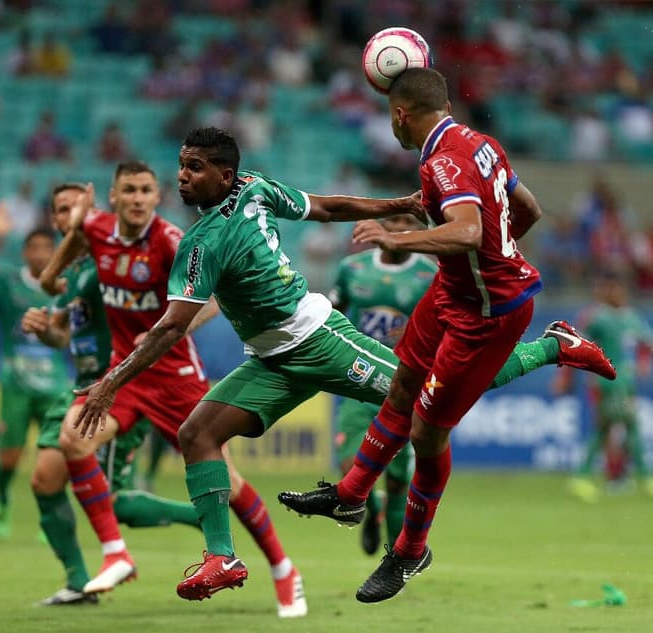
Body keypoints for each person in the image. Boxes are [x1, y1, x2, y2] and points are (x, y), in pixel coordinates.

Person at [64, 125, 613, 604]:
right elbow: (174, 322)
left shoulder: (229, 216)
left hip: (319, 340)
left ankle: (552, 346)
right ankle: (223, 558)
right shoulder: (231, 209)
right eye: (181, 166)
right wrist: (395, 206)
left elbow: (319, 211)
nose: (182, 177)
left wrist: (109, 383)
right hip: (273, 360)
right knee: (197, 434)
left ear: (227, 174)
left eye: (196, 168)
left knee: (433, 398)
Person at [277, 68, 616, 603]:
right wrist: (492, 255)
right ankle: (349, 495)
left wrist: (406, 239)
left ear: (400, 115)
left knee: (426, 433)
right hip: (452, 292)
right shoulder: (479, 145)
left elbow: (468, 230)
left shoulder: (445, 161)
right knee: (401, 388)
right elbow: (526, 210)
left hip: (488, 314)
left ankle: (411, 550)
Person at [39, 162, 307, 617]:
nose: (139, 198)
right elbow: (49, 280)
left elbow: (215, 301)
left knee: (231, 483)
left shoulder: (171, 241)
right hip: (125, 376)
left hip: (175, 380)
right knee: (73, 436)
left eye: (146, 190)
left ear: (156, 197)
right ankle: (116, 553)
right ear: (114, 196)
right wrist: (78, 224)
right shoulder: (96, 229)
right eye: (130, 190)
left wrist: (175, 330)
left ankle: (284, 569)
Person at [23, 183, 201, 606]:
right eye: (61, 210)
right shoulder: (81, 271)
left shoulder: (108, 265)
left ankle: (197, 517)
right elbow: (63, 333)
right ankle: (77, 581)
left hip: (118, 390)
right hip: (80, 389)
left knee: (114, 500)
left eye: (75, 209)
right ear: (54, 219)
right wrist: (43, 328)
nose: (68, 216)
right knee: (45, 481)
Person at [0, 202, 71, 538]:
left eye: (46, 249)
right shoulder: (7, 281)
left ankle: (50, 516)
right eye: (33, 248)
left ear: (56, 253)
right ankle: (3, 498)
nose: (39, 255)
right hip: (16, 384)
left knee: (57, 456)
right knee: (9, 459)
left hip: (54, 384)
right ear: (24, 253)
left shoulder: (66, 286)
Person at [327, 213, 438, 555]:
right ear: (380, 225)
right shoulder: (352, 268)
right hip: (357, 381)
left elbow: (447, 324)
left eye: (411, 222)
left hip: (404, 387)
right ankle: (371, 512)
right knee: (349, 470)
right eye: (394, 220)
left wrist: (420, 333)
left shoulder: (429, 274)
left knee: (396, 480)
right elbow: (332, 312)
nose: (402, 227)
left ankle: (396, 562)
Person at [562, 271, 653, 503]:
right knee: (630, 423)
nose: (617, 293)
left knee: (604, 429)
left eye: (619, 288)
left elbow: (648, 340)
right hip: (608, 381)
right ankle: (645, 477)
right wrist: (567, 374)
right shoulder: (599, 317)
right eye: (612, 289)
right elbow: (576, 343)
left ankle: (582, 477)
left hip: (625, 381)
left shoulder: (631, 316)